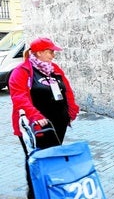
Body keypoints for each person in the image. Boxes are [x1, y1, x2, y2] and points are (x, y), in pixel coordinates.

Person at [8, 37, 79, 199]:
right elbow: (19, 97)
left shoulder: (54, 68)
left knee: (52, 157)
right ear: (39, 53)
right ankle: (35, 194)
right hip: (34, 126)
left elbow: (66, 89)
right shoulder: (22, 72)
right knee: (35, 160)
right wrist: (35, 115)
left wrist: (72, 109)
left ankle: (50, 191)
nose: (53, 55)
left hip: (57, 123)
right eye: (50, 51)